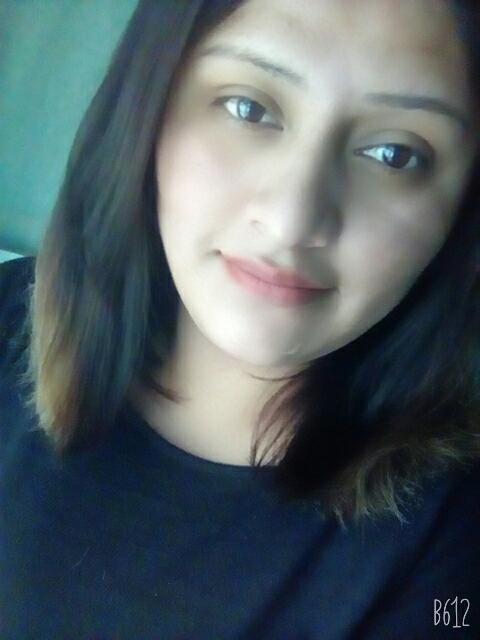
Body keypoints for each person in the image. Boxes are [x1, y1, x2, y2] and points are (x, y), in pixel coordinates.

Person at [1, 0, 479, 637]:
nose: (291, 221)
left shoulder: (453, 548)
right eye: (249, 109)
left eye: (394, 154)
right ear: (148, 109)